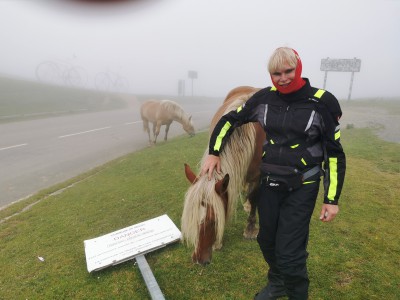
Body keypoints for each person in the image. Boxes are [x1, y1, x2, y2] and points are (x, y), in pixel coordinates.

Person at [201, 47, 346, 299]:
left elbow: (334, 153)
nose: (283, 78)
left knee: (290, 253)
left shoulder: (322, 102)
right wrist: (214, 151)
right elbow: (230, 120)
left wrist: (331, 199)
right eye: (276, 73)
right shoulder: (264, 98)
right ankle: (277, 283)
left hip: (302, 185)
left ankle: (297, 293)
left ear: (298, 68)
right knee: (266, 241)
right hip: (269, 184)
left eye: (288, 71)